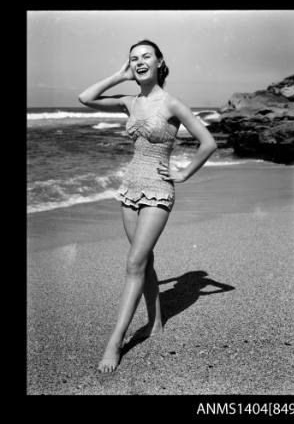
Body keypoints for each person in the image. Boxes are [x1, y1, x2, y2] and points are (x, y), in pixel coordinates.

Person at [78, 39, 217, 373]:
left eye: (145, 57)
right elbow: (85, 98)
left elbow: (208, 142)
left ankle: (115, 342)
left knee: (133, 263)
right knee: (145, 262)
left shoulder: (171, 103)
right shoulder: (129, 101)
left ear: (159, 62)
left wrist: (183, 172)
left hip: (158, 189)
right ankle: (155, 322)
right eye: (133, 59)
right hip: (129, 189)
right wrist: (119, 74)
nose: (139, 62)